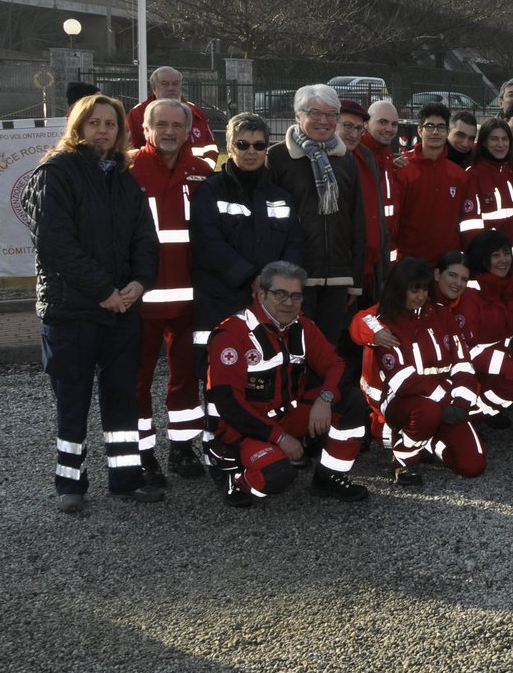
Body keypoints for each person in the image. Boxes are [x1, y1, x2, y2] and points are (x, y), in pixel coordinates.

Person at [27, 93, 161, 511]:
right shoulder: (56, 172)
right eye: (94, 122)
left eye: (111, 124)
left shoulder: (123, 177)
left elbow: (145, 238)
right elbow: (55, 245)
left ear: (122, 131)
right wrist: (104, 291)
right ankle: (71, 485)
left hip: (122, 308)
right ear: (78, 127)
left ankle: (126, 478)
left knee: (122, 397)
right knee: (73, 400)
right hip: (73, 310)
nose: (103, 130)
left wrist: (139, 283)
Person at [264, 84, 368, 468]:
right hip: (295, 282)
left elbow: (356, 222)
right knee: (288, 359)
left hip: (337, 279)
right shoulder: (277, 158)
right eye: (316, 114)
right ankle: (287, 433)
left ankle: (318, 433)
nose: (324, 122)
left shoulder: (345, 160)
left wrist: (354, 279)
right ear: (297, 116)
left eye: (330, 114)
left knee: (324, 358)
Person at [205, 261, 361, 505]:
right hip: (244, 427)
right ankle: (232, 473)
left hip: (287, 416)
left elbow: (336, 365)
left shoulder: (301, 326)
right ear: (261, 294)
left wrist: (326, 398)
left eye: (296, 296)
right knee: (276, 477)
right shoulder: (232, 334)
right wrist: (279, 438)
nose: (288, 303)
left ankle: (329, 477)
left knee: (352, 401)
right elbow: (228, 404)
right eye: (280, 294)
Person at [128, 97, 213, 480]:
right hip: (138, 301)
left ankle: (182, 448)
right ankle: (142, 453)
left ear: (187, 131)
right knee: (136, 380)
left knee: (186, 378)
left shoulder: (201, 172)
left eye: (177, 126)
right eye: (160, 124)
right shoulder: (126, 169)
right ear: (145, 129)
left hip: (189, 301)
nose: (169, 132)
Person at [353, 256, 485, 486]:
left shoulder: (443, 315)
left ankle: (429, 442)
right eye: (414, 290)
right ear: (399, 288)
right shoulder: (383, 322)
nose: (421, 297)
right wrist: (447, 400)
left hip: (446, 402)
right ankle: (404, 458)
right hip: (403, 403)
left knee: (473, 466)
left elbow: (463, 362)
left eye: (424, 290)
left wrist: (462, 402)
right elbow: (403, 379)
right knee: (428, 412)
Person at [190, 113, 303, 376]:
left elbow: (294, 242)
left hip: (270, 302)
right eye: (243, 145)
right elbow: (207, 243)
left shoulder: (281, 196)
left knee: (269, 375)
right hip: (222, 301)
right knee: (221, 379)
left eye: (259, 145)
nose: (251, 151)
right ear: (229, 147)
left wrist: (277, 284)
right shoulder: (210, 191)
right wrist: (250, 277)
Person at [430, 246, 513, 425]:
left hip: (472, 367)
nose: (457, 283)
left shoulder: (463, 298)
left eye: (463, 279)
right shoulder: (423, 300)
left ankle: (472, 414)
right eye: (452, 275)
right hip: (430, 378)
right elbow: (375, 315)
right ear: (437, 274)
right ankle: (454, 418)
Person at [393, 102, 474, 264]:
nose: (435, 132)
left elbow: (465, 221)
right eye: (430, 126)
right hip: (410, 264)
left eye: (441, 127)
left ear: (447, 131)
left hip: (447, 266)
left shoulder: (459, 175)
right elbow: (393, 221)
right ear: (419, 130)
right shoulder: (402, 169)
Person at [341, 99, 396, 301]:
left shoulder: (379, 156)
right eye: (382, 122)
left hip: (374, 264)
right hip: (351, 267)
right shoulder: (354, 155)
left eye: (394, 124)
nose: (389, 129)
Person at [127, 66, 218, 167]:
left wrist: (203, 173)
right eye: (165, 84)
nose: (171, 88)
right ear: (153, 88)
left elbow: (211, 148)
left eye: (175, 84)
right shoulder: (137, 114)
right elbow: (129, 150)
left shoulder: (196, 113)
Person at [461, 118, 513, 248]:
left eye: (505, 139)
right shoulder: (473, 175)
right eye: (494, 139)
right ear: (484, 143)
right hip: (488, 256)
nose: (501, 144)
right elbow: (470, 225)